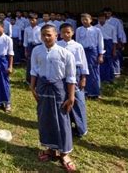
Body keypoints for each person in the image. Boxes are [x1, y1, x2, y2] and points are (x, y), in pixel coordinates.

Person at [30, 25, 77, 172]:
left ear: (56, 36)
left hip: (59, 89)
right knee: (46, 118)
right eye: (43, 35)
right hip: (42, 87)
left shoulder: (65, 53)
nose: (46, 38)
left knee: (62, 119)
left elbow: (70, 77)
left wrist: (71, 96)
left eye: (49, 35)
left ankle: (64, 153)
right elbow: (34, 70)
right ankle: (50, 149)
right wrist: (32, 87)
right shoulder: (36, 51)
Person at [57, 23, 89, 137]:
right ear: (59, 34)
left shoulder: (77, 46)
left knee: (77, 100)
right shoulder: (57, 45)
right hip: (61, 74)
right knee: (64, 99)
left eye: (68, 32)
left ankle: (81, 128)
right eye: (63, 32)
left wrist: (83, 78)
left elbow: (83, 63)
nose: (66, 35)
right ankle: (67, 125)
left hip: (75, 73)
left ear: (72, 33)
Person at [75, 13, 104, 99]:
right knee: (83, 71)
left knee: (94, 71)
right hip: (82, 51)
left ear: (91, 20)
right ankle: (84, 91)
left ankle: (95, 92)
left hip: (93, 52)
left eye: (86, 19)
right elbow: (77, 42)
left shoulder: (96, 30)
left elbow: (100, 43)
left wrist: (100, 55)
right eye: (82, 20)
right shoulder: (79, 30)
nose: (84, 21)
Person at [96, 13, 117, 83]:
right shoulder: (95, 27)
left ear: (105, 19)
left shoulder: (111, 27)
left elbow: (114, 39)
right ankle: (102, 78)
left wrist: (114, 50)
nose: (101, 19)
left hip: (108, 43)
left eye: (102, 18)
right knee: (100, 61)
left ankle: (110, 78)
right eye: (99, 18)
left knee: (109, 60)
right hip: (99, 44)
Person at [23, 14, 42, 83]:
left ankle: (38, 78)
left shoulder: (40, 29)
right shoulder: (27, 29)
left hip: (38, 45)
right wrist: (25, 50)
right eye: (30, 20)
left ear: (36, 20)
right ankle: (29, 79)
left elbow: (42, 40)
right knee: (30, 62)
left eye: (33, 20)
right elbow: (25, 40)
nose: (32, 21)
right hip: (30, 46)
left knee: (39, 61)